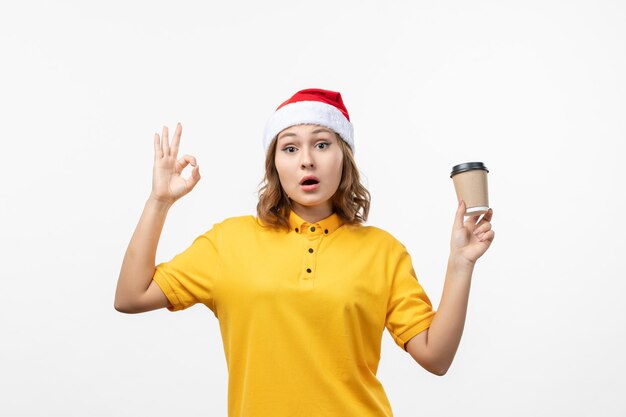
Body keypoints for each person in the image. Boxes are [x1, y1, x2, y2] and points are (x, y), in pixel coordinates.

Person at [114, 88, 495, 417]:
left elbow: (436, 357)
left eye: (322, 144)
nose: (306, 159)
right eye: (291, 147)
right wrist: (159, 201)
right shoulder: (228, 242)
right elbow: (131, 296)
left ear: (343, 157)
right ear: (275, 164)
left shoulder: (383, 252)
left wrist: (460, 263)